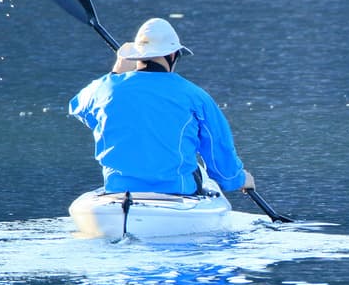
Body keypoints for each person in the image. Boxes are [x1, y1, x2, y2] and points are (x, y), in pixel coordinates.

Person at [68, 18, 255, 196]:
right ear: (173, 55)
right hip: (177, 192)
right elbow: (220, 160)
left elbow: (77, 108)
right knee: (198, 172)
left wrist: (115, 72)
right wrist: (239, 179)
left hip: (118, 191)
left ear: (135, 57)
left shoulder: (105, 88)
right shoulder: (196, 96)